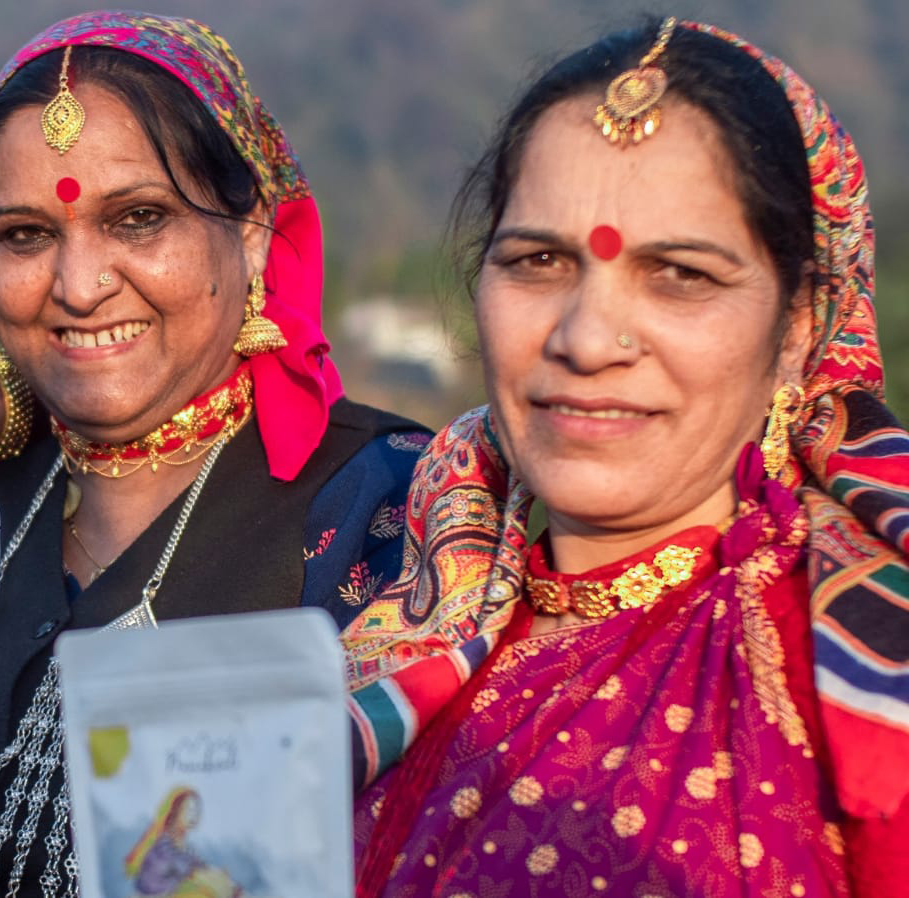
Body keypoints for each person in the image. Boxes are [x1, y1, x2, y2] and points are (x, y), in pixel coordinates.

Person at [0, 11, 428, 897]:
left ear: (253, 232)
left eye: (139, 219)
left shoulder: (391, 510)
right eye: (25, 235)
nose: (79, 286)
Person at [339, 18, 908, 896]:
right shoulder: (406, 648)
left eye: (680, 274)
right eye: (537, 261)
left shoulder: (859, 668)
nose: (588, 339)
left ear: (798, 327)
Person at [126, 789, 239, 898]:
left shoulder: (184, 844)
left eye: (196, 810)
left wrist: (218, 876)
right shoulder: (163, 846)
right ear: (175, 812)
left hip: (174, 890)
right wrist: (215, 877)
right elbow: (187, 869)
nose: (194, 815)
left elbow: (196, 865)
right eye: (189, 810)